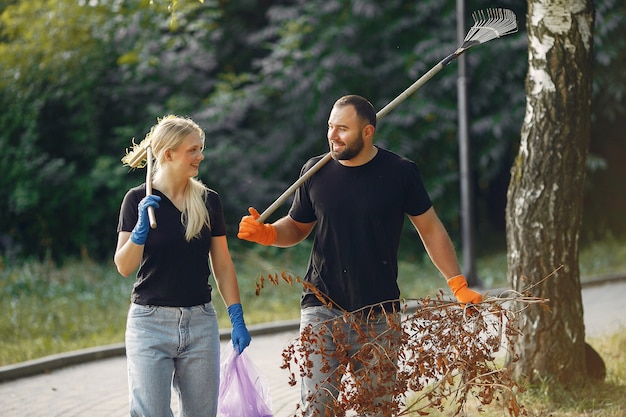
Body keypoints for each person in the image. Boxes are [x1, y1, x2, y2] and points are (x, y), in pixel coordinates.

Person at [237, 95, 482, 416]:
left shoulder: (400, 173)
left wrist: (457, 283)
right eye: (330, 127)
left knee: (378, 410)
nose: (333, 136)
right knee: (316, 408)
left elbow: (431, 230)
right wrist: (268, 233)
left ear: (367, 132)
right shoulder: (315, 171)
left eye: (343, 129)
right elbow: (296, 228)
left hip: (379, 314)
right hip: (321, 310)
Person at [114, 115, 251, 417]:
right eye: (193, 150)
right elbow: (124, 267)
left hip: (200, 323)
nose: (200, 156)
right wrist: (139, 231)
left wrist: (236, 315)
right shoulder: (137, 199)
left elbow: (223, 264)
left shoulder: (208, 201)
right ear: (168, 154)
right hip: (149, 324)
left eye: (200, 149)